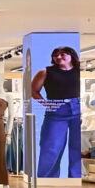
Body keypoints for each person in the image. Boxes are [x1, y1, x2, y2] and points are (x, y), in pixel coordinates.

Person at [31, 46, 81, 178]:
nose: (58, 57)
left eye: (62, 54)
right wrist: (45, 103)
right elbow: (33, 91)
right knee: (51, 147)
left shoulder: (79, 70)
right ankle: (47, 179)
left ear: (71, 55)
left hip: (78, 108)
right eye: (55, 55)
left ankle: (76, 178)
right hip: (56, 111)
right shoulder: (45, 72)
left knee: (78, 146)